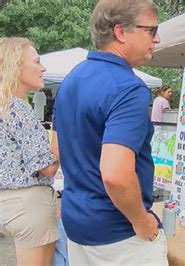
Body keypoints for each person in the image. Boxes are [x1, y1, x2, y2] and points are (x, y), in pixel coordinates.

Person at [53, 0, 168, 264]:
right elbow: (115, 175)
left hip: (77, 222)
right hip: (118, 233)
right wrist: (142, 221)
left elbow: (57, 149)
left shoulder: (72, 79)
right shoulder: (129, 88)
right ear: (120, 32)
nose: (157, 38)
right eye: (151, 30)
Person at [0, 37, 60, 266]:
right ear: (15, 66)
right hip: (29, 206)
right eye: (36, 61)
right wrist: (59, 135)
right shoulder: (19, 108)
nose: (42, 67)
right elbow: (47, 167)